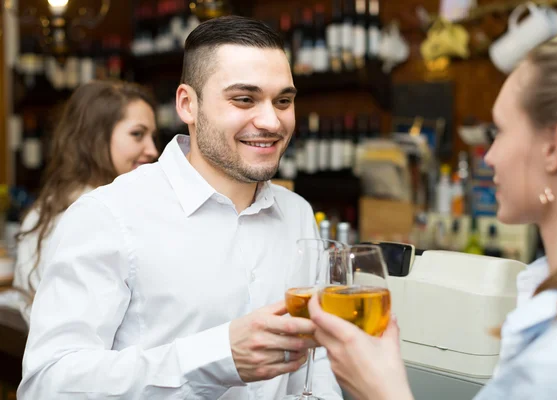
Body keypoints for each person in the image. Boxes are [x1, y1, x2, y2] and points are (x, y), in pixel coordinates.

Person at [18, 16, 342, 400]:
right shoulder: (108, 214)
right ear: (188, 104)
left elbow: (317, 355)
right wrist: (215, 358)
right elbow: (47, 383)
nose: (271, 121)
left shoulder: (298, 214)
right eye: (244, 99)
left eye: (283, 101)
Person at [308, 28, 557, 400]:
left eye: (500, 131)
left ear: (554, 149)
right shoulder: (550, 288)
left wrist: (380, 389)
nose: (489, 155)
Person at [11, 80, 159, 323]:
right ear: (96, 138)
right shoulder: (94, 216)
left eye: (153, 136)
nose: (153, 150)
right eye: (137, 134)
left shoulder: (44, 209)